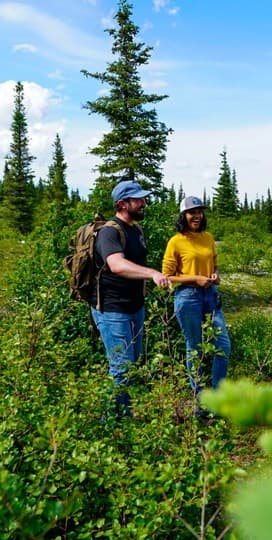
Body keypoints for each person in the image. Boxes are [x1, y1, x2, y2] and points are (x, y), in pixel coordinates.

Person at [93, 179, 172, 418]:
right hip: (112, 309)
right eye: (138, 200)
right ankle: (110, 424)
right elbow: (116, 265)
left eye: (143, 199)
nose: (144, 203)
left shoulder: (136, 230)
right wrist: (152, 274)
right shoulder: (109, 232)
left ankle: (124, 417)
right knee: (121, 368)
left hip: (135, 307)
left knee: (131, 364)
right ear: (122, 204)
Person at [161, 196, 231, 410]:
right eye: (192, 212)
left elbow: (215, 263)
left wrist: (215, 275)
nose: (197, 216)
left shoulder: (208, 238)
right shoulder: (176, 241)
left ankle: (217, 398)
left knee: (223, 346)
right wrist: (194, 279)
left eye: (199, 212)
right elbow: (167, 276)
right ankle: (200, 400)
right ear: (184, 215)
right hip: (188, 297)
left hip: (210, 294)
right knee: (195, 348)